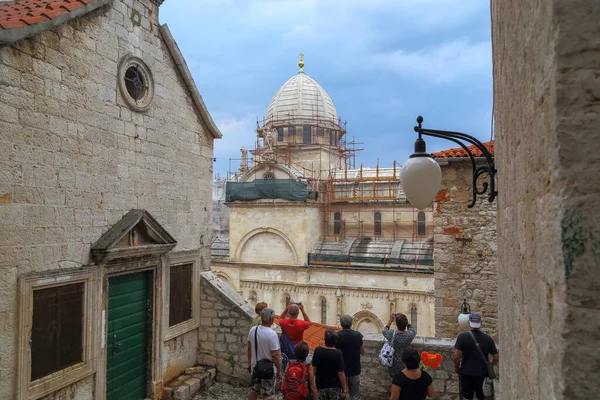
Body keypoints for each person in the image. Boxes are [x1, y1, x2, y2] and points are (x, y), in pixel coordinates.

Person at [453, 312, 498, 400]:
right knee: (480, 395)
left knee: (467, 396)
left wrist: (457, 366)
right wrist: (491, 365)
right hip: (481, 373)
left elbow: (456, 356)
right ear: (480, 323)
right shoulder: (488, 339)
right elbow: (496, 357)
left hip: (466, 372)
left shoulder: (462, 337)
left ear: (469, 323)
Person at [247, 308, 281, 400]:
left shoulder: (253, 330)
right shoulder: (272, 334)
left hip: (256, 366)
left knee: (255, 390)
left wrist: (250, 364)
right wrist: (279, 370)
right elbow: (275, 355)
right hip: (268, 369)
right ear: (272, 319)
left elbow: (249, 349)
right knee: (267, 393)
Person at [311, 329, 347, 399]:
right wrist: (344, 389)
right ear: (335, 341)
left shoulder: (318, 350)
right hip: (334, 386)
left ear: (324, 339)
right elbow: (340, 373)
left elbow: (314, 369)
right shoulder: (338, 353)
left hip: (321, 385)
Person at [335, 314, 364, 400]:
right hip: (354, 369)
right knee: (355, 396)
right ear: (351, 324)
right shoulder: (358, 335)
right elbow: (362, 351)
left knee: (341, 395)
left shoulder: (336, 336)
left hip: (341, 370)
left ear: (341, 324)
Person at [383, 313, 416, 378]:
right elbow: (412, 329)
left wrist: (390, 320)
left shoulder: (391, 334)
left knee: (395, 381)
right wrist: (406, 321)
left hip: (394, 365)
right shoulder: (409, 335)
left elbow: (384, 331)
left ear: (396, 324)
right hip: (405, 364)